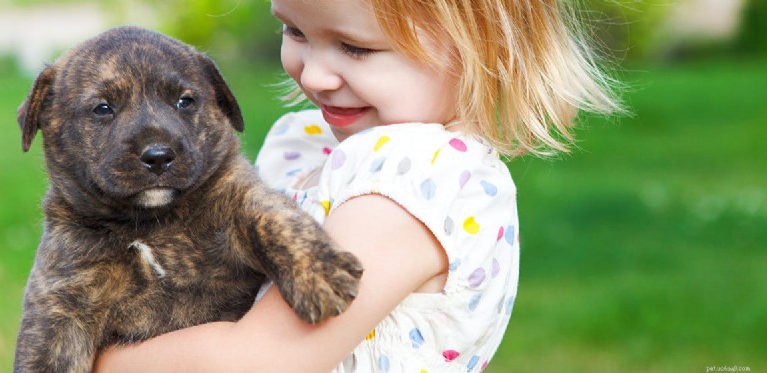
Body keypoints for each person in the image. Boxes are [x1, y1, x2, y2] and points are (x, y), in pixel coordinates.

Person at [95, 0, 621, 371]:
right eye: (295, 31)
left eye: (355, 47)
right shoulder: (311, 143)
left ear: (482, 44)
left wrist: (96, 359)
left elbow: (260, 360)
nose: (315, 75)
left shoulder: (417, 182)